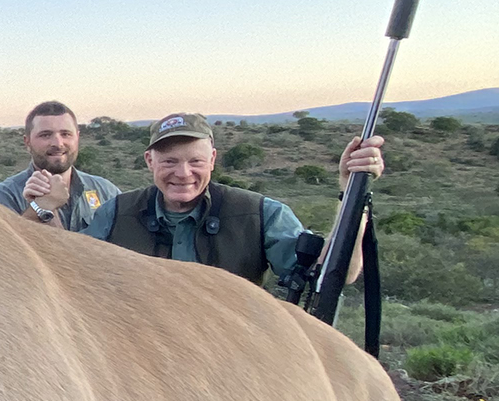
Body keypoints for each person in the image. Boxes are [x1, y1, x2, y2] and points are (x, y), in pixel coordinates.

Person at [80, 112, 385, 287]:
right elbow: (75, 271)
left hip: (230, 359)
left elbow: (337, 272)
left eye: (195, 162)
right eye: (169, 161)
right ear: (150, 161)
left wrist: (352, 196)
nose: (183, 173)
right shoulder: (116, 213)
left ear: (212, 159)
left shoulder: (260, 213)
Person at [0, 102, 121, 231]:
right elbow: (9, 250)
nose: (58, 143)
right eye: (45, 135)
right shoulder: (5, 197)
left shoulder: (106, 192)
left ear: (77, 137)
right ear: (27, 142)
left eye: (66, 134)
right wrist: (40, 208)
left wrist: (44, 208)